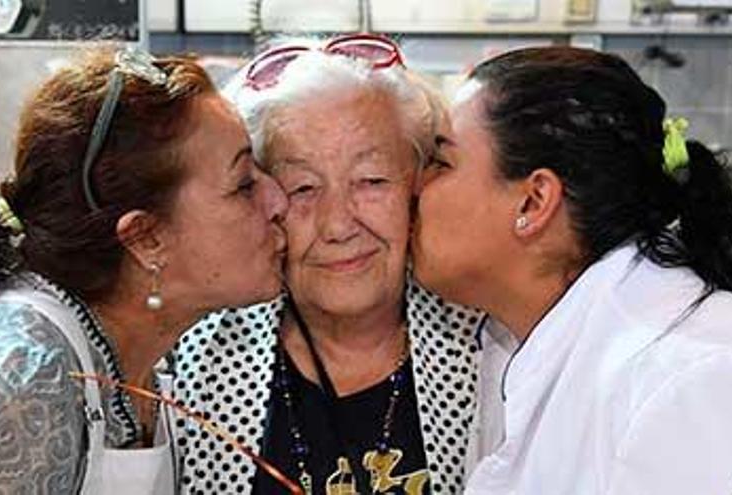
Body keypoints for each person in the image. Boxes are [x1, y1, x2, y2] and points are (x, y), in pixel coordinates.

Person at [0, 48, 287, 494]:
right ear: (145, 238)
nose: (279, 201)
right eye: (244, 185)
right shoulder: (17, 377)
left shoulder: (147, 360)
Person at [412, 45, 732, 494]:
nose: (414, 185)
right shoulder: (512, 343)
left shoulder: (694, 378)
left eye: (439, 162)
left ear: (533, 201)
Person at [168, 34, 491, 495]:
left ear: (417, 188)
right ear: (262, 200)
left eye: (371, 180)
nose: (338, 225)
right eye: (302, 188)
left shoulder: (487, 350)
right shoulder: (194, 362)